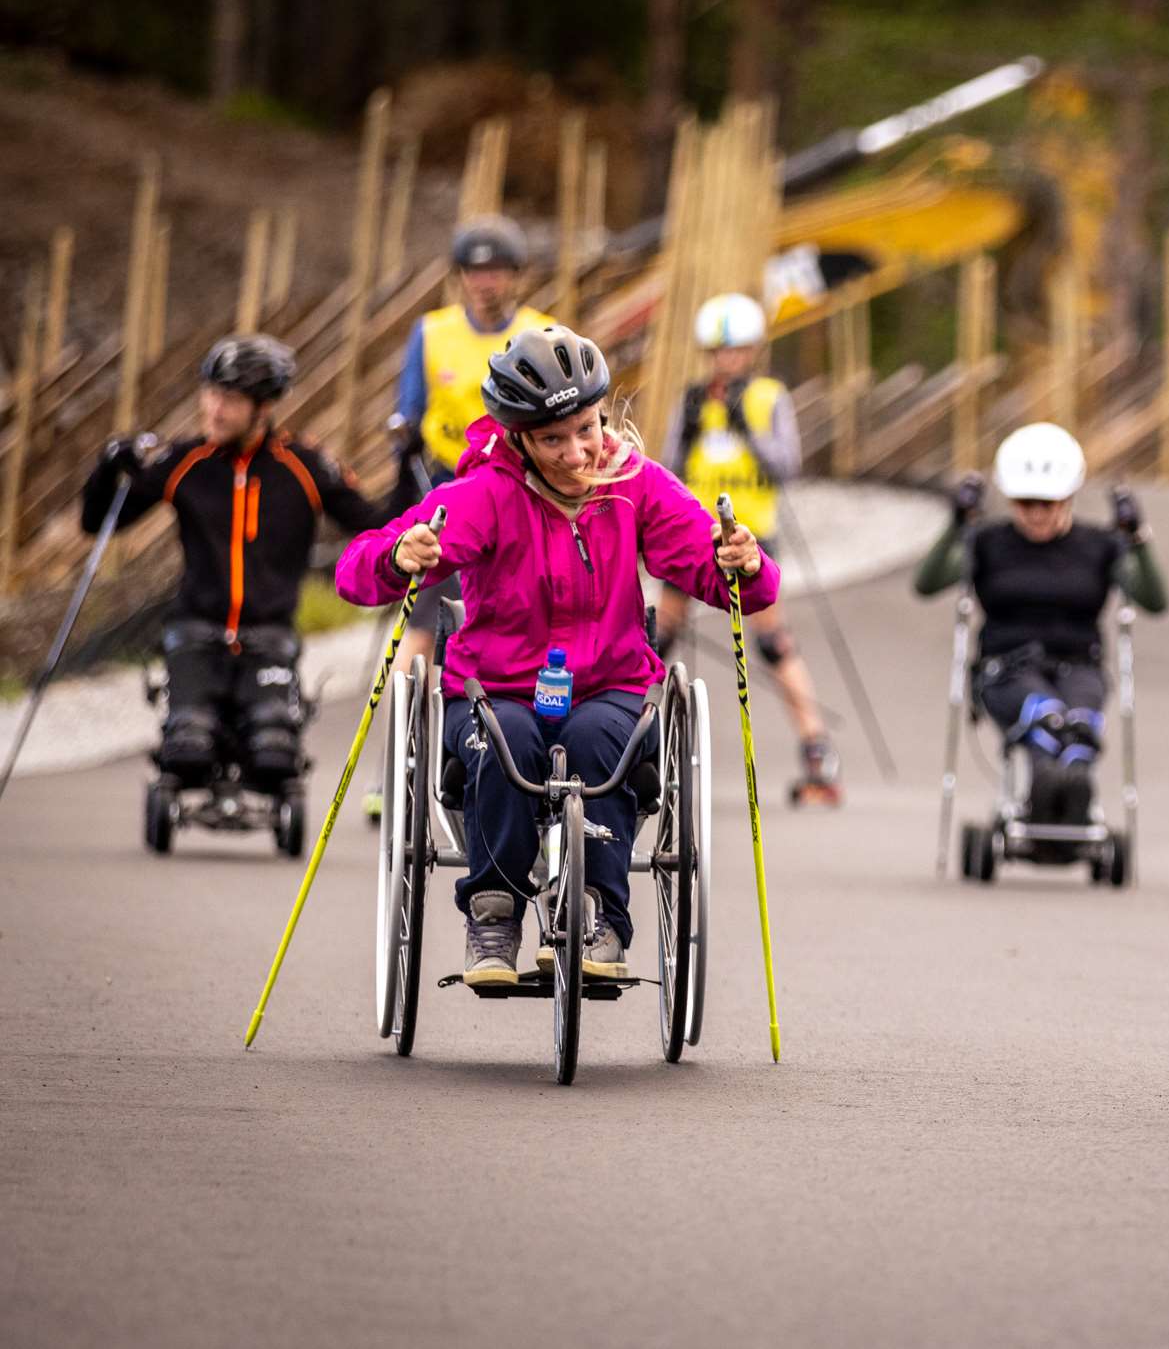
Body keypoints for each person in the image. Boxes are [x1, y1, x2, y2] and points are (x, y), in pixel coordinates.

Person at [336, 325, 780, 987]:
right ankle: (494, 911)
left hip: (608, 685)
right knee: (505, 738)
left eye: (588, 428)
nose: (577, 452)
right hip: (498, 690)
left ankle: (601, 914)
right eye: (552, 439)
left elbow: (726, 580)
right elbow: (357, 570)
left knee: (601, 736)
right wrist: (399, 556)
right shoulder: (485, 495)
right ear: (517, 438)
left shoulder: (638, 486)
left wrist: (742, 562)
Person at [80, 334, 404, 796]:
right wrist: (108, 467)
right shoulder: (184, 460)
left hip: (269, 634)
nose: (213, 409)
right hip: (195, 629)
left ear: (263, 407)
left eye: (228, 399)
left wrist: (409, 463)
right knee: (187, 750)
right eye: (210, 394)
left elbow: (376, 524)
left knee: (273, 756)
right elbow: (100, 521)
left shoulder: (304, 465)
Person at [367, 217, 555, 821]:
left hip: (523, 492)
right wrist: (401, 438)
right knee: (419, 631)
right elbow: (409, 412)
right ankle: (392, 765)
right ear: (460, 278)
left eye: (495, 270)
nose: (484, 282)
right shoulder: (432, 333)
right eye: (474, 271)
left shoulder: (538, 332)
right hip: (450, 494)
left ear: (514, 276)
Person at [912, 422, 1169, 823]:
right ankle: (1047, 799)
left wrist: (1137, 537)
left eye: (1046, 504)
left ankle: (1072, 804)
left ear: (1067, 498)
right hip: (1005, 668)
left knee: (1080, 725)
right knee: (1046, 717)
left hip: (1079, 665)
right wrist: (956, 524)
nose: (1035, 514)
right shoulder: (988, 542)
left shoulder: (1098, 546)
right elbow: (927, 584)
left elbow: (1154, 600)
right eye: (1024, 502)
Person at [654, 292, 840, 803]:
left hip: (753, 535)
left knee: (773, 641)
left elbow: (786, 465)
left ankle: (816, 746)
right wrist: (692, 432)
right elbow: (667, 468)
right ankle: (632, 737)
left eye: (735, 351)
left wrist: (744, 428)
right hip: (692, 535)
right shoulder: (691, 399)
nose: (726, 361)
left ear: (752, 351)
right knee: (660, 635)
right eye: (718, 352)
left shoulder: (769, 397)